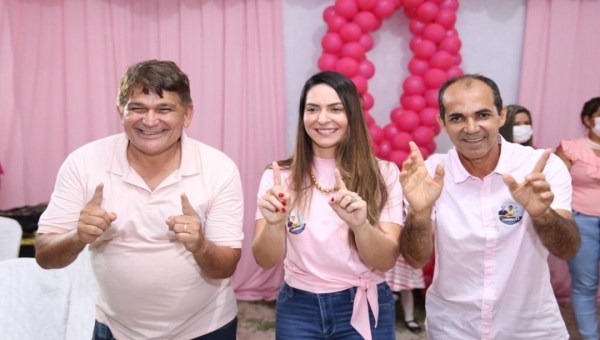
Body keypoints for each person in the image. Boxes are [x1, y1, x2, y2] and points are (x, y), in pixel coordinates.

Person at [34, 60, 244, 340]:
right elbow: (45, 256)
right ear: (120, 112)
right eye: (137, 108)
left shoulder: (219, 168)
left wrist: (200, 245)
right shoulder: (83, 162)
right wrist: (77, 236)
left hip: (206, 327)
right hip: (115, 330)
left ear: (187, 114)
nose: (150, 121)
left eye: (164, 109)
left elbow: (226, 266)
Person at [399, 74, 580, 339]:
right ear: (442, 123)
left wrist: (542, 214)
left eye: (482, 114)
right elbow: (415, 259)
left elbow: (567, 249)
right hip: (454, 328)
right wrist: (419, 213)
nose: (471, 127)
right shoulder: (428, 174)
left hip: (531, 328)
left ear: (501, 115)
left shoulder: (541, 167)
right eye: (457, 118)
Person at [252, 71, 403, 340]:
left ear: (353, 116)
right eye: (313, 109)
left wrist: (361, 226)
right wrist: (274, 226)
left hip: (363, 302)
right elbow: (265, 261)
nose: (322, 119)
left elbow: (386, 259)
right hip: (298, 307)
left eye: (335, 109)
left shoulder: (384, 173)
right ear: (302, 117)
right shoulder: (279, 177)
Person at [555, 96, 600, 340]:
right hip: (581, 222)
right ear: (587, 119)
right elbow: (556, 185)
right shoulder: (571, 147)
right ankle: (590, 337)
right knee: (585, 284)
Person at [384, 257, 424, 333]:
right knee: (383, 285)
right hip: (387, 252)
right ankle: (381, 318)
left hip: (404, 255)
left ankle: (409, 318)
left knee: (406, 286)